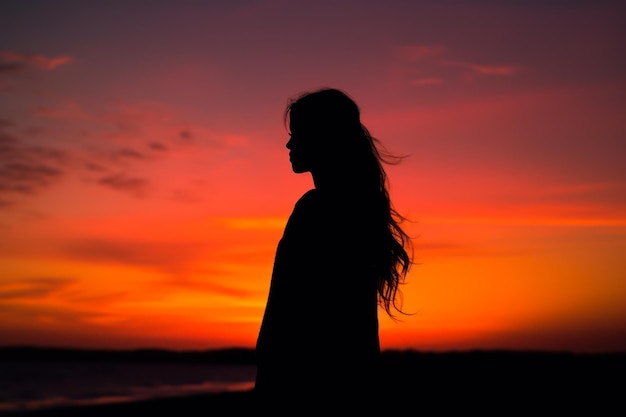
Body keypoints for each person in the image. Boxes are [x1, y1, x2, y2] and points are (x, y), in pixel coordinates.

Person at [254, 87, 413, 412]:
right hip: (350, 381)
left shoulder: (319, 210)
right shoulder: (358, 209)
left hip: (304, 384)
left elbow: (292, 308)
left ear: (322, 138)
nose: (289, 144)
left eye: (296, 134)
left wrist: (271, 377)